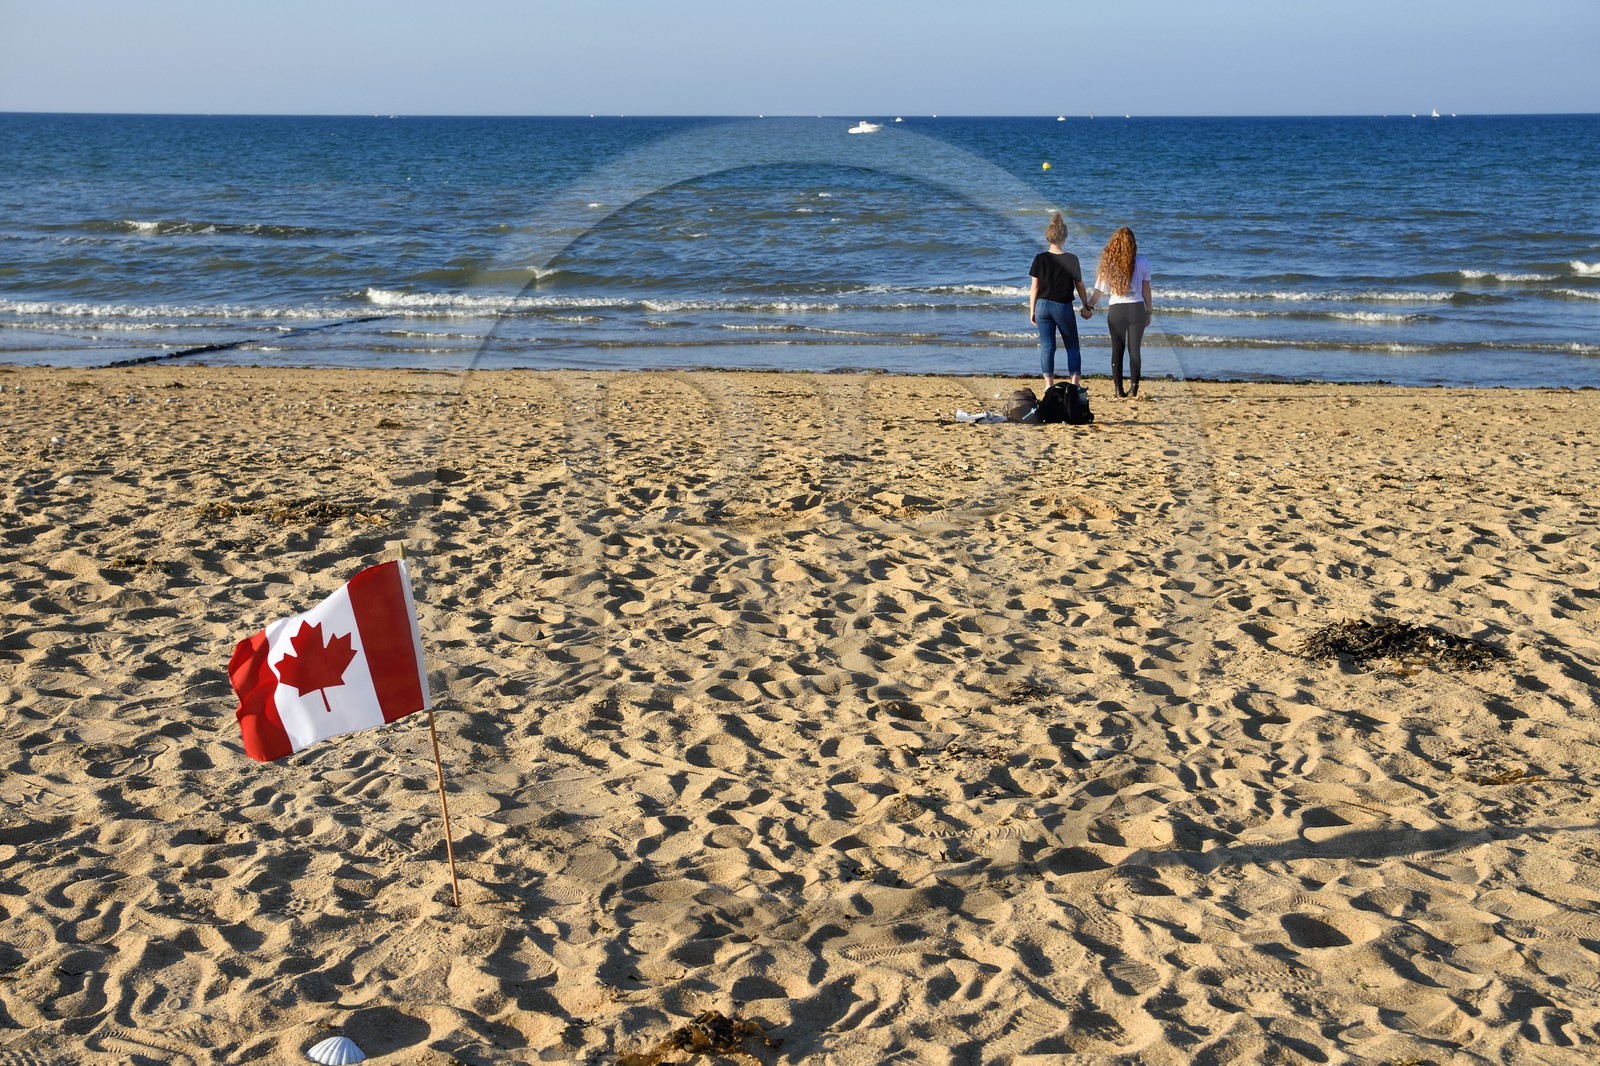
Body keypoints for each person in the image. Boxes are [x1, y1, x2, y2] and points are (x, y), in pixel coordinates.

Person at [1082, 226, 1152, 398]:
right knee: (1134, 349)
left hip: (1116, 310)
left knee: (1117, 349)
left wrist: (1088, 306)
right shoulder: (1142, 262)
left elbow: (1100, 291)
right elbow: (1146, 290)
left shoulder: (1109, 263)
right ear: (1133, 244)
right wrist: (1148, 311)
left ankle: (1118, 389)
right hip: (1136, 309)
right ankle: (1134, 387)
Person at [1028, 212, 1092, 391]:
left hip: (1042, 306)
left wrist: (1032, 310)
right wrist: (1086, 305)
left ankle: (1049, 386)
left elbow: (1034, 287)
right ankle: (1074, 385)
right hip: (1062, 306)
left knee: (1048, 346)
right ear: (1064, 237)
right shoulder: (1072, 259)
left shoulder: (1040, 258)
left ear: (1048, 237)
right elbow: (1079, 286)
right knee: (1072, 345)